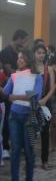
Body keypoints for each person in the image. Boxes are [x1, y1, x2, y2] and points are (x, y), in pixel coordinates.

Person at [4, 50, 43, 181]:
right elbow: (6, 94)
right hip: (14, 116)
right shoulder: (14, 77)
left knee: (29, 150)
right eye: (18, 58)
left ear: (28, 59)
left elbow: (34, 96)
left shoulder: (37, 77)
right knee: (15, 150)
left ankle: (29, 180)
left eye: (22, 58)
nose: (19, 60)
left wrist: (14, 96)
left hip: (29, 118)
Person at [0, 29, 29, 157]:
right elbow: (8, 70)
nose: (25, 42)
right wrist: (19, 77)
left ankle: (19, 144)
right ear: (18, 38)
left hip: (20, 87)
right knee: (7, 119)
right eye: (24, 39)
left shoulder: (20, 53)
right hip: (9, 88)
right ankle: (5, 147)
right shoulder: (6, 51)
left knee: (20, 116)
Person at [33, 43, 55, 170]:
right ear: (34, 54)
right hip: (31, 104)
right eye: (38, 52)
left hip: (45, 104)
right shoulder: (30, 69)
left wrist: (44, 100)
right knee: (31, 132)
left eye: (43, 53)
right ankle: (30, 159)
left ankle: (44, 160)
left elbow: (52, 87)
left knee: (45, 132)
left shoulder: (49, 69)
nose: (41, 55)